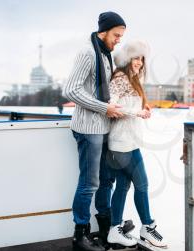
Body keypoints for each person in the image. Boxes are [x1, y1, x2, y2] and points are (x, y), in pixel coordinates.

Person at [64, 11, 133, 251]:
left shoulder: (105, 55)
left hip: (103, 128)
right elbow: (70, 90)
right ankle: (80, 236)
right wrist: (105, 108)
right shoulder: (87, 52)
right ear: (103, 30)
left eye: (121, 36)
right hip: (88, 128)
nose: (118, 40)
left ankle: (106, 230)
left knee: (106, 180)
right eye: (116, 35)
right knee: (89, 182)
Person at [106, 41, 167, 249]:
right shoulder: (121, 77)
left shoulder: (132, 80)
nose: (139, 63)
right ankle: (147, 227)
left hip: (128, 141)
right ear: (127, 59)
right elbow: (111, 106)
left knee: (123, 186)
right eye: (136, 58)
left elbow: (128, 103)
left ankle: (115, 229)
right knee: (142, 184)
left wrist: (143, 105)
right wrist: (137, 112)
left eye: (142, 59)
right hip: (122, 143)